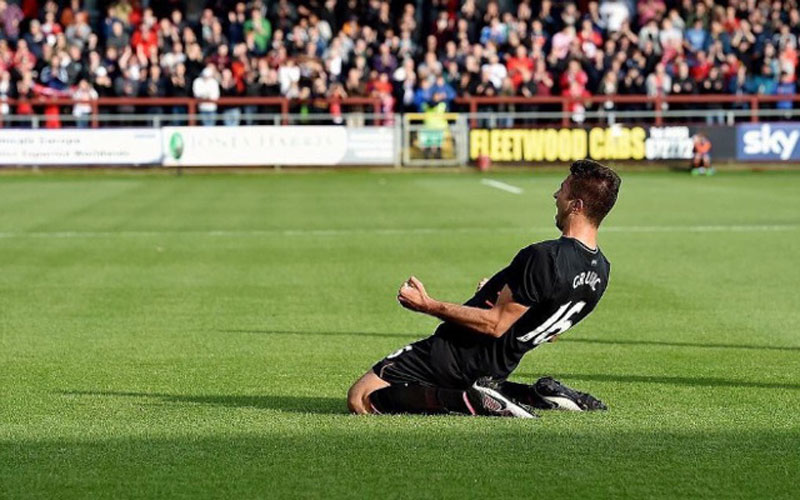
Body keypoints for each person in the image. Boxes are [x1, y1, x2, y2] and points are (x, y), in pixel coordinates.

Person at [347, 160, 622, 417]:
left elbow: (496, 324)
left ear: (576, 205)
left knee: (361, 397)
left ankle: (471, 400)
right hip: (498, 365)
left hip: (457, 354)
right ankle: (533, 395)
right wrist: (495, 291)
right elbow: (547, 329)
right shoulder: (601, 271)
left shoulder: (544, 256)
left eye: (561, 190)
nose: (555, 196)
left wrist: (427, 305)